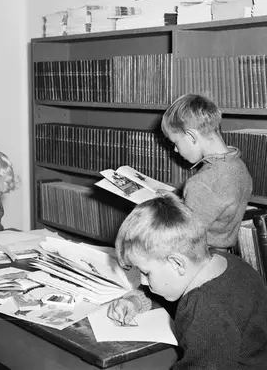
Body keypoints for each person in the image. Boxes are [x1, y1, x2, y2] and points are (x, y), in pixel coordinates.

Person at [107, 194, 267, 369]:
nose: (143, 282)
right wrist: (136, 300)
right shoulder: (227, 262)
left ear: (177, 263)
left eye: (146, 273)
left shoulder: (203, 308)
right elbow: (167, 289)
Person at [161, 94, 252, 251]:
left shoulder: (202, 183)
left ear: (191, 136)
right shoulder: (238, 165)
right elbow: (213, 208)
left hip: (200, 255)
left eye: (175, 142)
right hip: (223, 253)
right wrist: (175, 200)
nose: (175, 149)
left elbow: (186, 237)